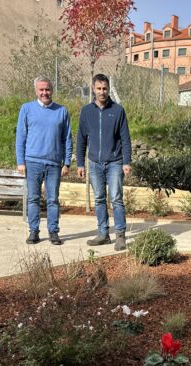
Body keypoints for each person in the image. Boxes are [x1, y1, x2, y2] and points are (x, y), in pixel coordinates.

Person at [76, 73, 132, 250]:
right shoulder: (86, 111)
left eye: (105, 89)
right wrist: (79, 163)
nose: (102, 92)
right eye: (99, 88)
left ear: (108, 89)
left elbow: (125, 139)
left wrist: (127, 162)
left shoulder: (118, 111)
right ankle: (103, 234)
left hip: (115, 162)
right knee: (99, 199)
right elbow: (81, 139)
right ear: (93, 89)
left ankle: (120, 235)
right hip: (94, 163)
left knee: (116, 198)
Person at [16, 75, 72, 245]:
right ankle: (34, 231)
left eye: (47, 89)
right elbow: (21, 137)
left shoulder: (62, 111)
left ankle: (53, 231)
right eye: (41, 90)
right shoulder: (26, 109)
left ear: (52, 90)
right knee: (33, 198)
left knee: (53, 199)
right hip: (32, 162)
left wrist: (67, 162)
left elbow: (67, 138)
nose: (44, 93)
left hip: (54, 163)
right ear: (36, 91)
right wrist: (21, 161)